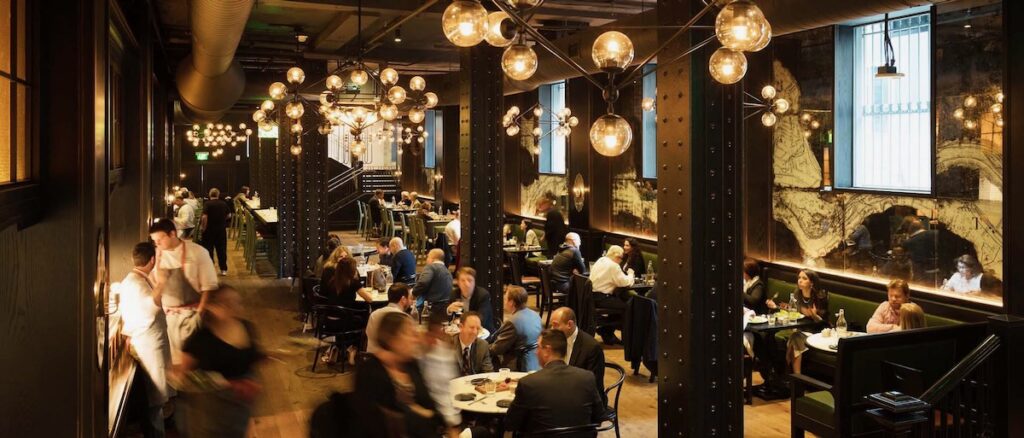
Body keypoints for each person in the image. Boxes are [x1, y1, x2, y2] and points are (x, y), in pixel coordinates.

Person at [175, 286, 263, 438]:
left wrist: (273, 356)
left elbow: (250, 358)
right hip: (210, 415)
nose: (233, 308)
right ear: (211, 307)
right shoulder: (200, 340)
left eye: (236, 302)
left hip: (239, 410)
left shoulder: (246, 327)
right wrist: (229, 384)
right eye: (226, 303)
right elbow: (183, 378)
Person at [354, 312, 447, 438]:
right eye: (410, 333)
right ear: (392, 339)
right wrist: (425, 414)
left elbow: (428, 403)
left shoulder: (411, 365)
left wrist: (439, 421)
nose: (416, 339)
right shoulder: (370, 372)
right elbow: (382, 422)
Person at [504, 329, 606, 437]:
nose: (535, 352)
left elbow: (511, 424)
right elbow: (599, 417)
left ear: (547, 350)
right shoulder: (587, 377)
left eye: (538, 347)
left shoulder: (529, 383)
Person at [149, 218, 218, 365]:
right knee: (172, 364)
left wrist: (199, 314)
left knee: (193, 362)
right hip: (167, 317)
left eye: (160, 239)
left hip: (192, 315)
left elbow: (209, 287)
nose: (157, 244)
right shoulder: (156, 256)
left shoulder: (197, 252)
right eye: (154, 241)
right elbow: (154, 286)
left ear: (172, 234)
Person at [120, 242, 171, 438]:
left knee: (155, 401)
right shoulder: (136, 284)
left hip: (148, 344)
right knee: (154, 403)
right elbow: (151, 307)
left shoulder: (135, 280)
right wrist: (163, 281)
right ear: (151, 260)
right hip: (148, 346)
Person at [768, 270, 827, 375]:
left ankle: (793, 376)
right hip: (800, 329)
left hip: (816, 331)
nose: (800, 281)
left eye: (804, 278)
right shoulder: (797, 294)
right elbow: (792, 312)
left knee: (795, 338)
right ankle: (790, 377)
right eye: (799, 278)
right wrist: (775, 307)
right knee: (790, 337)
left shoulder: (820, 297)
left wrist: (814, 315)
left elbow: (823, 323)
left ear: (812, 282)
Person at [549, 307, 605, 400]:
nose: (552, 329)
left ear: (569, 324)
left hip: (583, 399)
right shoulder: (556, 339)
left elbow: (593, 385)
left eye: (555, 325)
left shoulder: (591, 347)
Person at [418, 311, 461, 432]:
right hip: (429, 416)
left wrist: (452, 421)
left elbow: (446, 387)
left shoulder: (445, 352)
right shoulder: (418, 354)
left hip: (446, 414)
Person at [490, 286, 543, 371]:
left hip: (520, 365)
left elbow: (497, 349)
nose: (503, 302)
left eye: (505, 299)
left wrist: (482, 348)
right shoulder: (535, 315)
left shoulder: (512, 322)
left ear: (511, 302)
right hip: (537, 361)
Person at [588, 245, 634, 344]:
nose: (621, 261)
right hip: (602, 298)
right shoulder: (613, 266)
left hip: (592, 296)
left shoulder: (601, 260)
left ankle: (606, 331)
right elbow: (625, 282)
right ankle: (607, 329)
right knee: (628, 308)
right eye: (621, 258)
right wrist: (631, 274)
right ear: (617, 256)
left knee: (621, 304)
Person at [366, 284, 413, 354]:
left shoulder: (373, 314)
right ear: (403, 299)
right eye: (410, 298)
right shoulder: (404, 318)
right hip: (389, 362)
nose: (411, 302)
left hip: (370, 359)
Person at [447, 267, 495, 332]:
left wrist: (461, 323)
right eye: (463, 281)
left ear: (474, 282)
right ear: (458, 283)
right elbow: (447, 319)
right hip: (461, 331)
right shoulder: (454, 294)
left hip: (482, 332)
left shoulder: (482, 295)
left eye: (470, 280)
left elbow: (482, 319)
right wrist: (449, 310)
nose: (467, 284)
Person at [200, 188, 231, 275]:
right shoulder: (223, 203)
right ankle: (223, 269)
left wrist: (203, 227)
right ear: (218, 194)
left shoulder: (207, 204)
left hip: (209, 230)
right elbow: (229, 215)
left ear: (210, 195)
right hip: (221, 230)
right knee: (221, 249)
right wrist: (222, 219)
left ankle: (211, 268)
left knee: (209, 249)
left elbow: (204, 217)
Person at [900, 218, 938, 282]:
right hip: (941, 274)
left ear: (908, 229)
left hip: (921, 278)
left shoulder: (908, 243)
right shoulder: (937, 233)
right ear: (922, 226)